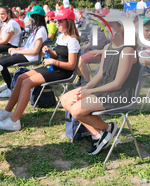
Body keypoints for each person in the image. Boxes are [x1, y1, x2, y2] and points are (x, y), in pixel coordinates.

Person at [60, 10, 140, 155]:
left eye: (109, 25)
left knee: (77, 110)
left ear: (121, 28)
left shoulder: (127, 50)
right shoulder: (108, 47)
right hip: (104, 88)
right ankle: (101, 133)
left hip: (119, 94)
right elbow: (101, 75)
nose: (105, 28)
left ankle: (104, 131)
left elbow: (118, 84)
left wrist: (90, 91)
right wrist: (85, 88)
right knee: (65, 99)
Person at [0, 8, 81, 131]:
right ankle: (7, 111)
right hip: (54, 67)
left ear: (69, 23)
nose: (57, 24)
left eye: (61, 21)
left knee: (26, 82)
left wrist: (53, 61)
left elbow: (71, 65)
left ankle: (14, 121)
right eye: (57, 21)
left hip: (63, 72)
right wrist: (50, 52)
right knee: (21, 78)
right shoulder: (61, 37)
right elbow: (60, 55)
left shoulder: (73, 41)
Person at [0, 6, 48, 98]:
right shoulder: (35, 29)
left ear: (38, 17)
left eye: (32, 16)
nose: (30, 18)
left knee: (1, 62)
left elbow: (35, 52)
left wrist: (19, 52)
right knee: (0, 60)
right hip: (26, 54)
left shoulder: (41, 30)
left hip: (30, 57)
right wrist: (19, 49)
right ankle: (10, 83)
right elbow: (29, 46)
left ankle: (10, 88)